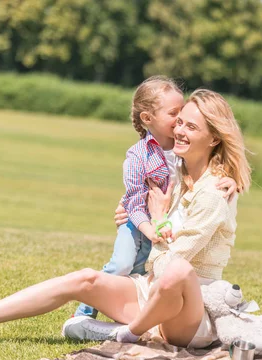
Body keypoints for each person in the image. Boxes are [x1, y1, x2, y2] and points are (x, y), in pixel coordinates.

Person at [0, 89, 250, 348]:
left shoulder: (214, 193)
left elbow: (171, 266)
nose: (179, 131)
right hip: (149, 291)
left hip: (189, 313)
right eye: (179, 122)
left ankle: (127, 334)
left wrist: (156, 220)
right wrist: (133, 210)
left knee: (178, 271)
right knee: (85, 279)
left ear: (214, 138)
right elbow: (141, 197)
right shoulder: (177, 172)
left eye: (191, 127)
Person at [74, 77, 236, 319]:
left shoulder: (183, 149)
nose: (180, 122)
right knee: (122, 265)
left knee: (143, 271)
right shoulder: (138, 155)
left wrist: (233, 180)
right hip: (139, 222)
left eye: (182, 113)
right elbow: (134, 200)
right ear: (148, 119)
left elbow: (207, 172)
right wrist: (146, 225)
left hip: (162, 224)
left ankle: (131, 316)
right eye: (174, 114)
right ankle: (85, 310)